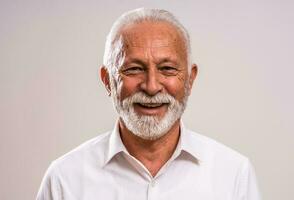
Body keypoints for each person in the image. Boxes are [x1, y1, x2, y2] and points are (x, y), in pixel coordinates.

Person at [36, 8, 261, 200]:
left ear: (190, 79)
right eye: (134, 69)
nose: (152, 87)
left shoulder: (233, 174)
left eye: (167, 69)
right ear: (108, 81)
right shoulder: (64, 180)